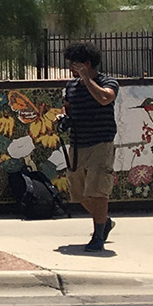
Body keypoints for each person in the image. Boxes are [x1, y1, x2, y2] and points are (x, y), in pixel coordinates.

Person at [58, 43, 119, 253]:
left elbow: (104, 98)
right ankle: (105, 221)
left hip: (100, 142)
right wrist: (63, 118)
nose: (70, 69)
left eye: (74, 64)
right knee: (78, 192)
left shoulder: (107, 82)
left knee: (98, 189)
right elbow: (67, 108)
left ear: (86, 64)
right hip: (77, 142)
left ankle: (98, 234)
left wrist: (87, 79)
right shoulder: (71, 86)